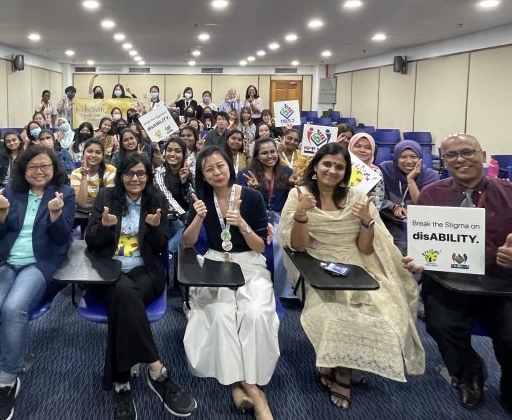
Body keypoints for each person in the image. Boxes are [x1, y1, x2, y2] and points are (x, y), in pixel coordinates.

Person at [280, 143, 424, 410]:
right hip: (317, 266)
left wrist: (367, 221)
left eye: (339, 166)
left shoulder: (358, 197)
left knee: (387, 312)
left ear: (346, 172)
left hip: (357, 265)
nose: (332, 170)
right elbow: (298, 246)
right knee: (336, 315)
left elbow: (365, 249)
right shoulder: (299, 194)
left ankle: (340, 361)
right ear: (316, 167)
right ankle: (343, 374)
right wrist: (300, 214)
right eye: (327, 164)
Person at [403, 134, 512, 420]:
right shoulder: (431, 195)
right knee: (439, 325)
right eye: (451, 155)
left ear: (483, 155)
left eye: (467, 152)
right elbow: (424, 246)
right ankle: (469, 373)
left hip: (499, 284)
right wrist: (417, 260)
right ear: (443, 161)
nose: (460, 159)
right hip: (447, 282)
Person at [0, 145, 76, 420]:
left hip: (39, 262)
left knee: (14, 308)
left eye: (45, 166)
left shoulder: (63, 192)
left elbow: (63, 238)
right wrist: (1, 214)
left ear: (54, 168)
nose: (39, 171)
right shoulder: (12, 191)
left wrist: (55, 214)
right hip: (7, 261)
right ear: (23, 170)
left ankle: (7, 383)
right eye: (33, 167)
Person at [85, 154, 197, 419]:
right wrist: (103, 228)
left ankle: (121, 384)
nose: (135, 179)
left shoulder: (155, 199)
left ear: (147, 176)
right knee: (125, 295)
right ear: (121, 175)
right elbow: (91, 241)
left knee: (125, 300)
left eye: (141, 173)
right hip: (108, 269)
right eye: (129, 173)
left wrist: (156, 230)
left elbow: (160, 246)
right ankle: (157, 371)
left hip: (145, 269)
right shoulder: (106, 196)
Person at [182, 146, 278, 419]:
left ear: (230, 166)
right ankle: (254, 392)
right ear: (203, 175)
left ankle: (239, 383)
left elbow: (260, 247)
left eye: (220, 166)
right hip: (215, 262)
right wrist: (199, 217)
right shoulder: (201, 199)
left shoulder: (252, 197)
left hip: (249, 263)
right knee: (221, 314)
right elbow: (187, 242)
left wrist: (242, 224)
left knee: (255, 313)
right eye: (209, 169)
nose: (216, 172)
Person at [238, 137, 294, 301]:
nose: (270, 156)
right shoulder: (246, 174)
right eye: (264, 153)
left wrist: (292, 186)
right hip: (256, 217)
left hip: (281, 217)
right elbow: (239, 202)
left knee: (287, 242)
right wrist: (252, 190)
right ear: (256, 155)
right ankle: (261, 287)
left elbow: (292, 200)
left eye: (272, 152)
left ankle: (283, 290)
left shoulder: (287, 172)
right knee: (271, 243)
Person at [379, 139, 439, 252]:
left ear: (420, 158)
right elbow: (377, 198)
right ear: (396, 158)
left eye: (413, 157)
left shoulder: (431, 176)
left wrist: (410, 180)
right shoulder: (386, 170)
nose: (409, 161)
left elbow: (421, 206)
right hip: (388, 222)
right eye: (403, 157)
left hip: (420, 226)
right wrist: (393, 207)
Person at [152, 137, 193, 258]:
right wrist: (184, 214)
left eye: (177, 151)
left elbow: (192, 201)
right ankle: (168, 254)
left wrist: (184, 182)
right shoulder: (159, 173)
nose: (172, 154)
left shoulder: (190, 173)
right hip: (163, 219)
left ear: (184, 154)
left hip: (181, 221)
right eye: (169, 150)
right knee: (185, 229)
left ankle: (168, 253)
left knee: (188, 228)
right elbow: (166, 197)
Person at [70, 138, 116, 218]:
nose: (93, 155)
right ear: (83, 153)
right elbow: (81, 203)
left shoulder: (110, 170)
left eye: (98, 152)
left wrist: (91, 200)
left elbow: (108, 200)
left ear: (103, 155)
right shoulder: (76, 173)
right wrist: (84, 177)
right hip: (82, 215)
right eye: (90, 151)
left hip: (103, 213)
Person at [348, 132, 386, 208]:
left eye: (368, 147)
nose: (362, 150)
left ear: (373, 151)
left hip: (362, 212)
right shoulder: (340, 168)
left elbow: (376, 202)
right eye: (358, 146)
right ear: (350, 147)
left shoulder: (375, 172)